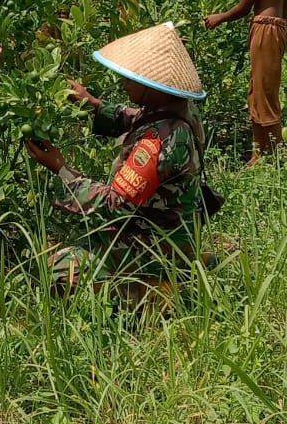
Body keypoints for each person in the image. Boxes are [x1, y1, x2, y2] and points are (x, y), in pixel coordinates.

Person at [23, 22, 208, 292]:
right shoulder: (176, 109)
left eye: (132, 78)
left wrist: (61, 169)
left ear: (153, 87)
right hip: (167, 229)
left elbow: (113, 204)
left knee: (56, 269)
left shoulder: (159, 142)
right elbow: (135, 118)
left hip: (154, 244)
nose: (123, 81)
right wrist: (94, 105)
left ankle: (156, 290)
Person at [204, 0, 287, 163]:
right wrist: (285, 23)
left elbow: (243, 8)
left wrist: (218, 18)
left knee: (264, 95)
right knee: (257, 92)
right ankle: (257, 155)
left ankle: (278, 158)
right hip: (272, 28)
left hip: (266, 28)